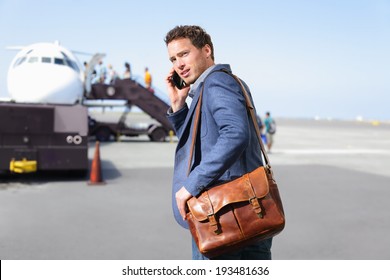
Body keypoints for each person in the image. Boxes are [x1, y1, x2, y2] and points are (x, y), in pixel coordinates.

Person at [164, 25, 272, 260]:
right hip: (239, 211)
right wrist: (179, 106)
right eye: (173, 59)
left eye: (184, 54)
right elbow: (198, 144)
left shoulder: (216, 83)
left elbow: (235, 134)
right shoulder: (213, 87)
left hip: (226, 214)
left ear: (206, 50)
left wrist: (190, 186)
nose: (178, 64)